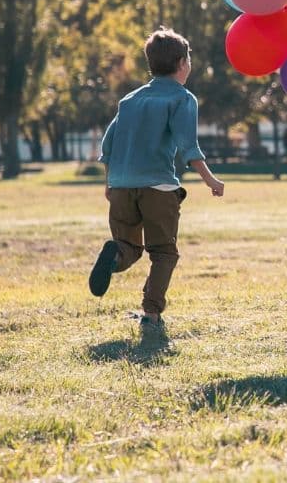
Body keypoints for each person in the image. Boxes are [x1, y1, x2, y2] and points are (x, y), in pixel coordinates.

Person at [89, 27, 225, 341]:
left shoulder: (130, 99)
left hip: (121, 186)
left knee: (130, 248)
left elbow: (108, 145)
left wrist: (111, 181)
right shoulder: (181, 98)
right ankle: (151, 314)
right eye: (189, 59)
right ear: (181, 63)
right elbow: (188, 147)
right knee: (163, 252)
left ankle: (115, 256)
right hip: (158, 188)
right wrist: (211, 180)